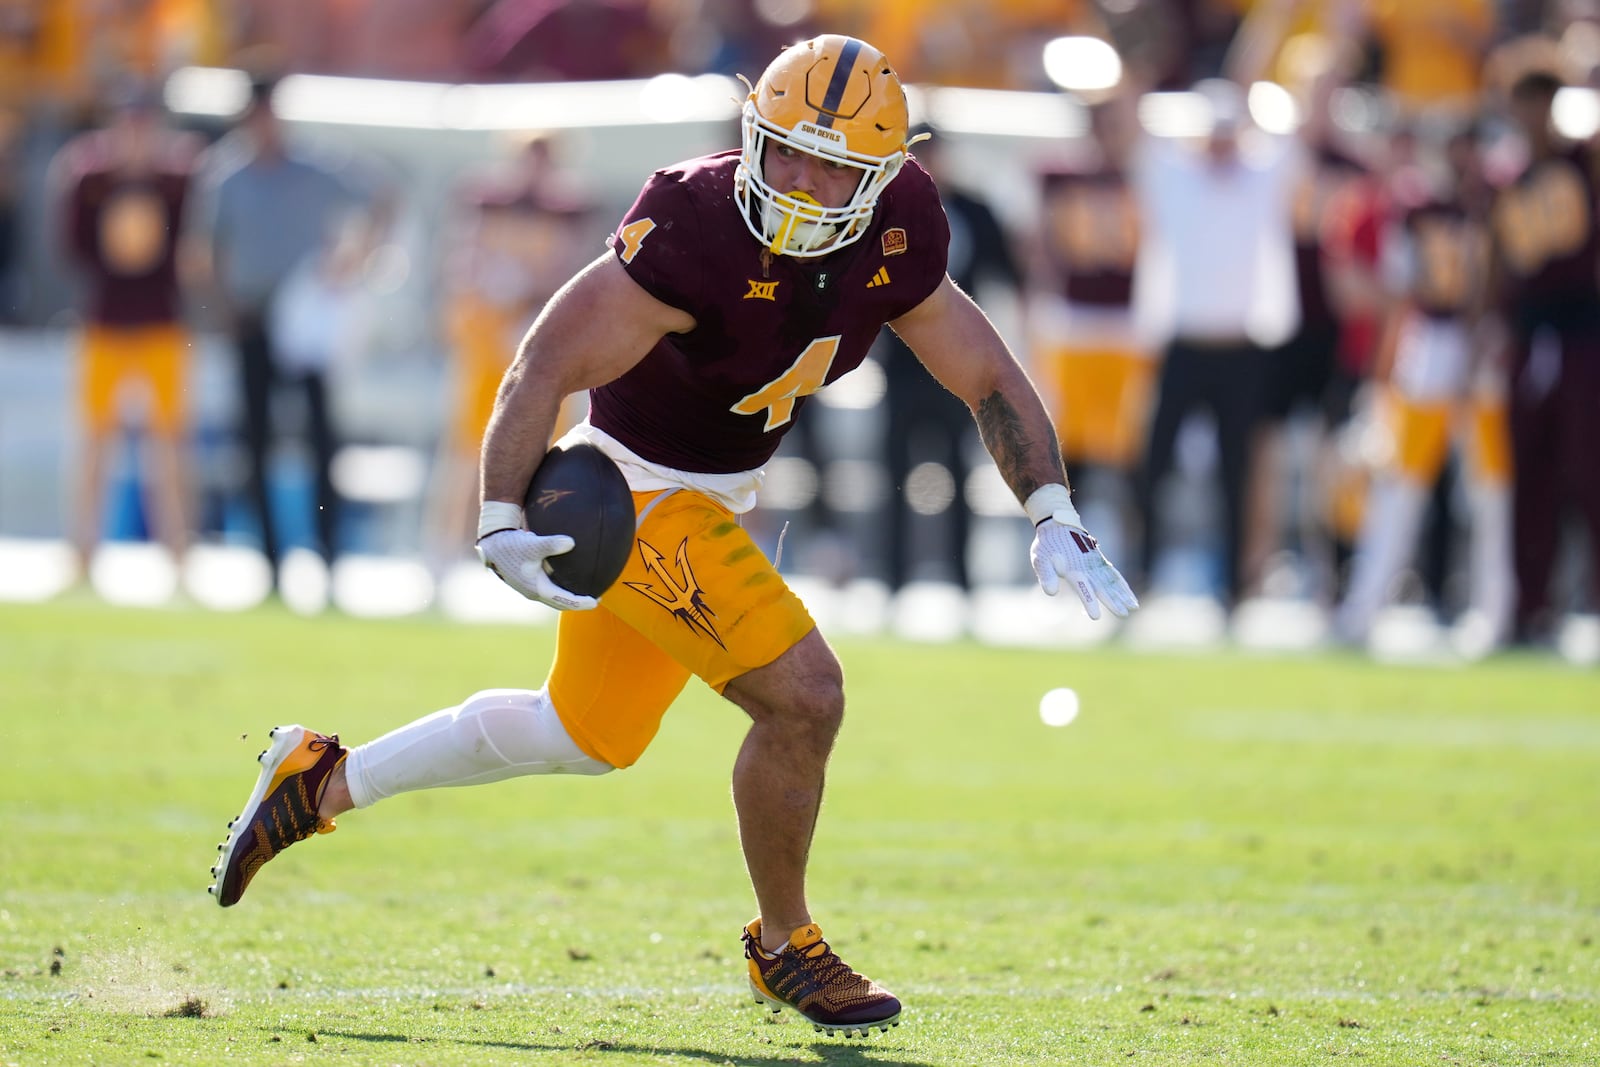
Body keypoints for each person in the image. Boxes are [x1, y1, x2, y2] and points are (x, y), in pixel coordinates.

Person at [208, 35, 1136, 1036]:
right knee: (803, 694)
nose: (805, 181)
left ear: (882, 176)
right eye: (787, 151)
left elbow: (986, 373)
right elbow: (545, 360)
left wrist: (1050, 508)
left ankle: (320, 779)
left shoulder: (899, 226)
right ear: (753, 134)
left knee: (581, 733)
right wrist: (497, 511)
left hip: (719, 491)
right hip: (634, 487)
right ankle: (787, 945)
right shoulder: (692, 223)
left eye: (836, 165)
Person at [192, 73, 390, 582]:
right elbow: (205, 250)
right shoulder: (226, 176)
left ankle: (327, 553)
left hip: (307, 324)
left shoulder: (314, 169)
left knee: (321, 439)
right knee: (254, 441)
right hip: (253, 320)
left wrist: (354, 261)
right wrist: (220, 306)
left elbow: (382, 196)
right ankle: (270, 559)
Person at [1334, 118, 1513, 649]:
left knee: (1490, 491)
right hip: (1432, 347)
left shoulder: (1500, 205)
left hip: (1486, 350)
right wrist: (1382, 376)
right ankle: (1363, 609)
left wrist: (1483, 337)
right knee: (1401, 488)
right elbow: (1402, 295)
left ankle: (1496, 611)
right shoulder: (1417, 210)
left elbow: (1508, 279)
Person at [1133, 77, 1302, 608]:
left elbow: (1294, 130)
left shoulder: (1260, 180)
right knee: (1153, 465)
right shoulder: (1175, 179)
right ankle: (1141, 573)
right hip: (1184, 344)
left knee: (1237, 473)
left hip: (1241, 347)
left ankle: (1234, 587)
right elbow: (1135, 131)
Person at [50, 81, 202, 574]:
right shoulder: (90, 175)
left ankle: (179, 555)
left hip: (161, 322)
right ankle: (81, 554)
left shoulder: (178, 179)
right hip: (106, 322)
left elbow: (190, 246)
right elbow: (73, 247)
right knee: (95, 439)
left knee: (172, 442)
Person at [878, 121, 1023, 595]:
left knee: (960, 476)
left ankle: (963, 581)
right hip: (902, 366)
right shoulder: (885, 211)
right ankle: (894, 580)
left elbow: (1010, 273)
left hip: (958, 369)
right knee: (894, 476)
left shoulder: (973, 210)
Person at [1485, 63, 1600, 644]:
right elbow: (1498, 266)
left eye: (1543, 102)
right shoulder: (1506, 180)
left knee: (1590, 468)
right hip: (1533, 337)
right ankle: (1531, 604)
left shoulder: (1584, 160)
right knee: (1530, 472)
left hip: (1584, 332)